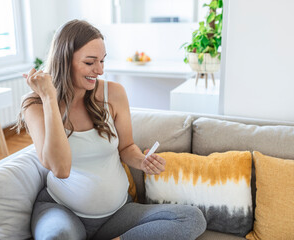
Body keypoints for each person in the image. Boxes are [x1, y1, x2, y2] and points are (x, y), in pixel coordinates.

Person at [16, 19, 206, 240]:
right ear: (65, 61)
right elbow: (60, 169)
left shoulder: (114, 94)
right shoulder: (36, 104)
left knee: (192, 218)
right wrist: (49, 97)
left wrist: (141, 161)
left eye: (102, 61)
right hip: (63, 212)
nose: (99, 70)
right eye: (90, 63)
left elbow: (126, 147)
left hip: (118, 213)